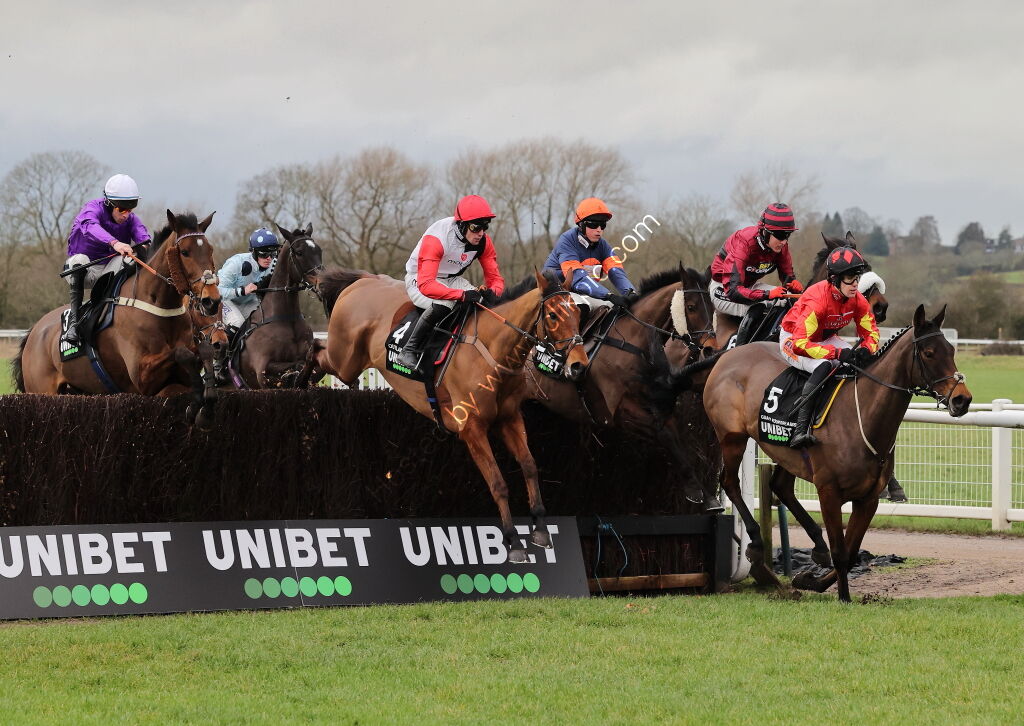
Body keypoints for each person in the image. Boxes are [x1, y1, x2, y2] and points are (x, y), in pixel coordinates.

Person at [779, 246, 880, 448]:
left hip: (823, 338)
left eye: (857, 278)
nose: (855, 284)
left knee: (860, 362)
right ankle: (800, 428)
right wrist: (836, 352)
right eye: (850, 278)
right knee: (823, 366)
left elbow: (872, 333)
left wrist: (866, 349)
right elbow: (801, 344)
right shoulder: (817, 300)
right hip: (793, 339)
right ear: (834, 279)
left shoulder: (857, 300)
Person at [396, 195, 505, 371]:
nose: (481, 233)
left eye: (485, 227)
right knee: (446, 302)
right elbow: (427, 285)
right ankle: (409, 349)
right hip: (419, 278)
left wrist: (493, 291)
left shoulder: (483, 242)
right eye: (476, 227)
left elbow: (495, 279)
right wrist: (461, 295)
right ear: (461, 224)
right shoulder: (438, 239)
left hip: (450, 279)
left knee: (482, 303)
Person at [62, 174, 151, 345]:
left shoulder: (130, 219)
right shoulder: (92, 209)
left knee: (130, 260)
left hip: (109, 271)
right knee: (78, 260)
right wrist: (115, 243)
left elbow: (144, 238)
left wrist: (145, 247)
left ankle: (116, 312)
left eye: (130, 210)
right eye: (122, 210)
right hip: (84, 270)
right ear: (109, 203)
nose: (126, 215)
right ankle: (74, 322)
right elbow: (90, 226)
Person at [710, 202, 804, 346]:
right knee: (758, 307)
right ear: (764, 231)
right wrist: (767, 295)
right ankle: (739, 352)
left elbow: (787, 278)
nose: (784, 241)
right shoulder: (744, 243)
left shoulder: (780, 246)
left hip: (750, 287)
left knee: (788, 302)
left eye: (787, 235)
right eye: (779, 235)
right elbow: (733, 291)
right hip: (723, 289)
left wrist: (793, 284)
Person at [543, 197, 638, 306]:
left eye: (603, 225)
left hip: (581, 295)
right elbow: (577, 278)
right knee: (600, 305)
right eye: (593, 224)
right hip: (552, 295)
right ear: (581, 225)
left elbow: (616, 272)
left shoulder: (603, 245)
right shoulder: (567, 241)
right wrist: (608, 295)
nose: (599, 229)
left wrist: (631, 292)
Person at [217, 228, 280, 330]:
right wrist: (242, 290)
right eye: (264, 254)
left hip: (249, 302)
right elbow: (218, 291)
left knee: (266, 321)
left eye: (273, 254)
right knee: (238, 322)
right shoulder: (235, 264)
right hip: (226, 301)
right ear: (254, 253)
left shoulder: (274, 264)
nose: (269, 258)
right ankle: (225, 345)